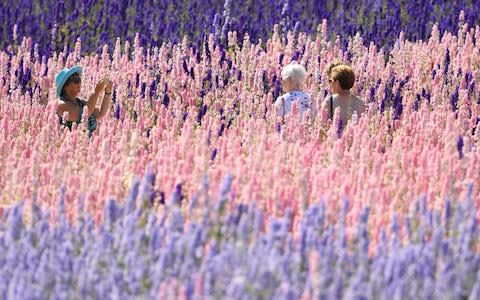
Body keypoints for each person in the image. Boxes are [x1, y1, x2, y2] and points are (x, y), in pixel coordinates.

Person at [56, 65, 112, 134]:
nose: (79, 83)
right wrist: (96, 92)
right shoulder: (61, 105)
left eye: (79, 79)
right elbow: (84, 115)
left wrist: (107, 92)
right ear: (65, 86)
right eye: (76, 80)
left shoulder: (79, 102)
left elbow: (100, 113)